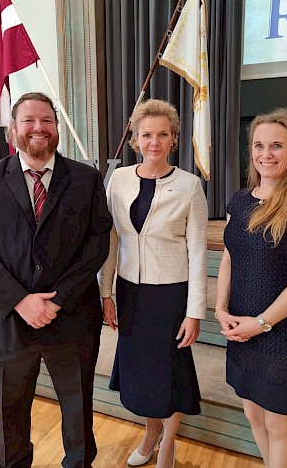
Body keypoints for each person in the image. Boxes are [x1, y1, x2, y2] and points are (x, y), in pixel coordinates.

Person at [0, 92, 112, 468]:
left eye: (46, 120)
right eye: (29, 120)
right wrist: (21, 301)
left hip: (73, 320)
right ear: (13, 129)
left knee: (78, 417)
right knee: (11, 422)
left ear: (56, 128)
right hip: (9, 323)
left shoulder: (86, 179)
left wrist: (56, 300)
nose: (38, 128)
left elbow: (96, 245)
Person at [215, 108, 287, 468]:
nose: (266, 154)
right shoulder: (239, 200)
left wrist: (261, 323)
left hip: (282, 332)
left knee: (279, 423)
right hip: (241, 328)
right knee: (253, 414)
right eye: (259, 145)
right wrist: (220, 309)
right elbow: (230, 259)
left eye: (276, 146)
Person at [98, 99, 208, 468]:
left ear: (174, 138)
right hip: (131, 291)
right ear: (136, 139)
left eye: (163, 134)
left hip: (170, 294)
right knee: (141, 371)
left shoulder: (190, 185)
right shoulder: (119, 179)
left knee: (169, 371)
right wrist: (106, 292)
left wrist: (194, 313)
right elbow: (112, 240)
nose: (154, 142)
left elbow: (197, 252)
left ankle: (168, 443)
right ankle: (150, 431)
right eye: (147, 134)